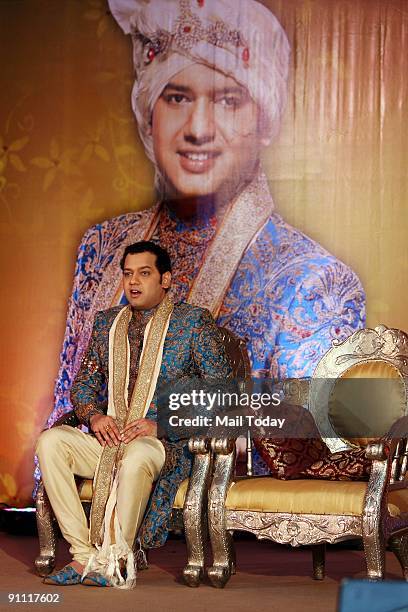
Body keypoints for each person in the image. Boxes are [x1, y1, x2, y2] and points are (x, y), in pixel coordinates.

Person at [41, 0, 365, 479]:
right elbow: (71, 391)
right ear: (147, 110)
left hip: (208, 504)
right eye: (176, 97)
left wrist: (165, 425)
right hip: (102, 463)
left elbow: (309, 439)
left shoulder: (313, 279)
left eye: (228, 100)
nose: (196, 129)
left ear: (265, 120)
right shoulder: (103, 246)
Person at [36, 241, 233, 588]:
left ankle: (115, 558)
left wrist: (163, 424)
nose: (134, 282)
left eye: (144, 273)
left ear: (166, 279)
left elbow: (221, 392)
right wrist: (95, 416)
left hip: (162, 443)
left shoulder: (191, 323)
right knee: (51, 442)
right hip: (109, 439)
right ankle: (83, 555)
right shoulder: (107, 323)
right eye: (128, 274)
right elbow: (83, 384)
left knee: (138, 455)